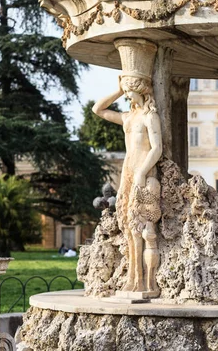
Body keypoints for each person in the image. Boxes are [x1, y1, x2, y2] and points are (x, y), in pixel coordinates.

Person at [92, 39, 162, 294]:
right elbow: (97, 109)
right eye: (127, 92)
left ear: (142, 91)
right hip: (128, 174)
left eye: (132, 91)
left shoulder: (149, 116)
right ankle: (133, 277)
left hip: (144, 175)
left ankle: (146, 281)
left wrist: (143, 171)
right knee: (127, 225)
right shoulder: (128, 117)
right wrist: (118, 89)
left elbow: (157, 148)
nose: (129, 96)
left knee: (144, 229)